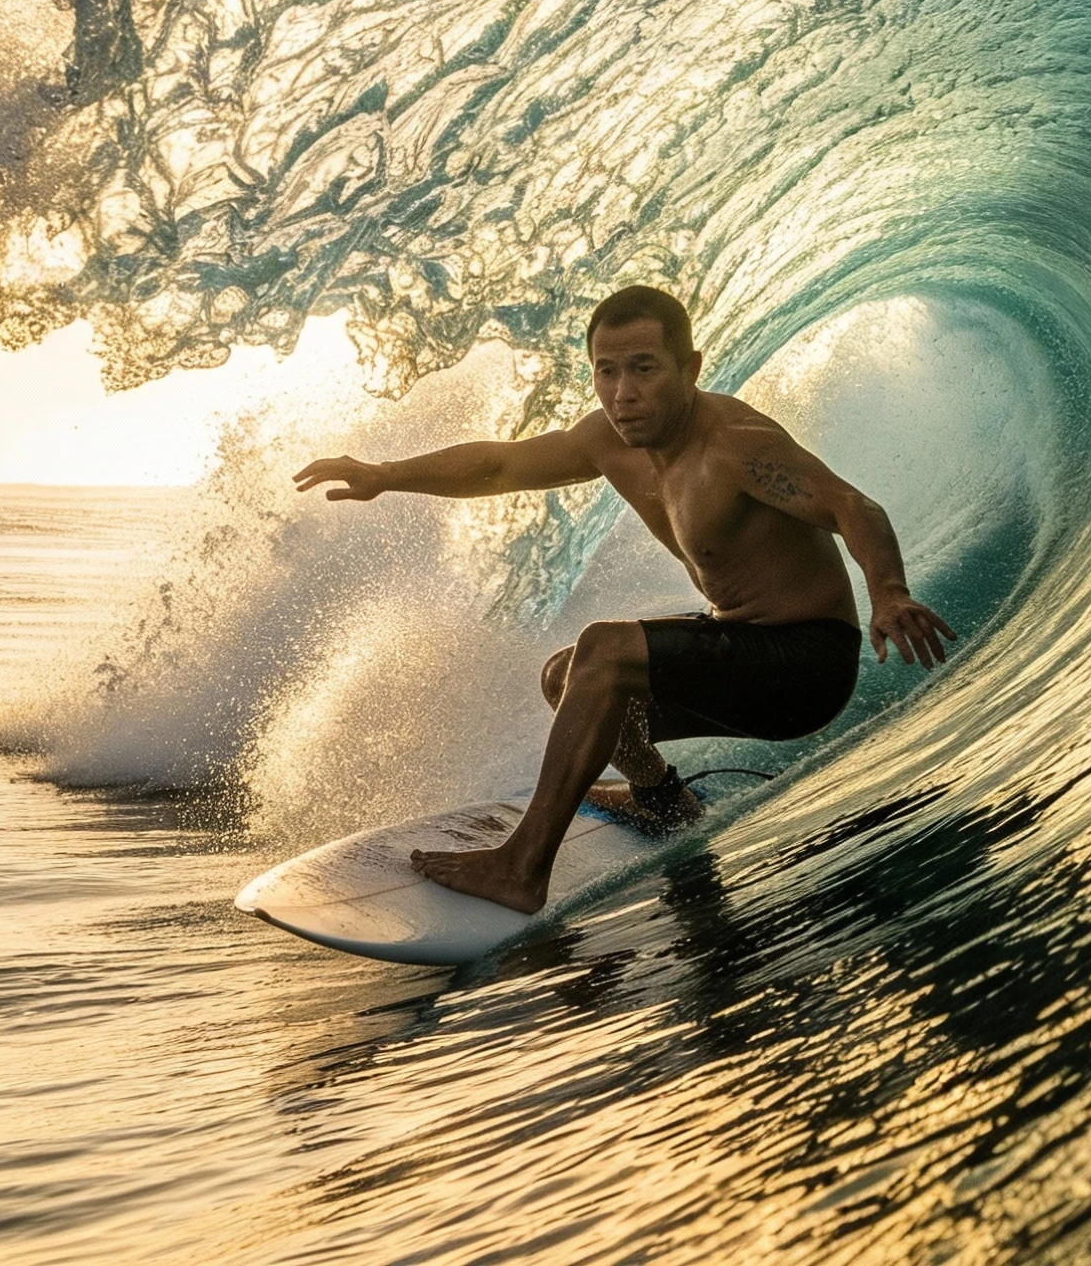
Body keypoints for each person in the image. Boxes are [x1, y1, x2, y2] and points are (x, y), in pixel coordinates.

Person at [291, 285, 956, 914]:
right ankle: (661, 800)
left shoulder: (732, 444)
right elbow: (500, 466)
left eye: (644, 369)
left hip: (806, 666)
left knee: (605, 650)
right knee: (567, 675)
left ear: (690, 367)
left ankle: (520, 869)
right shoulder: (609, 441)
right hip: (744, 646)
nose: (623, 393)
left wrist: (888, 593)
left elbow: (848, 504)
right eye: (606, 372)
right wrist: (385, 475)